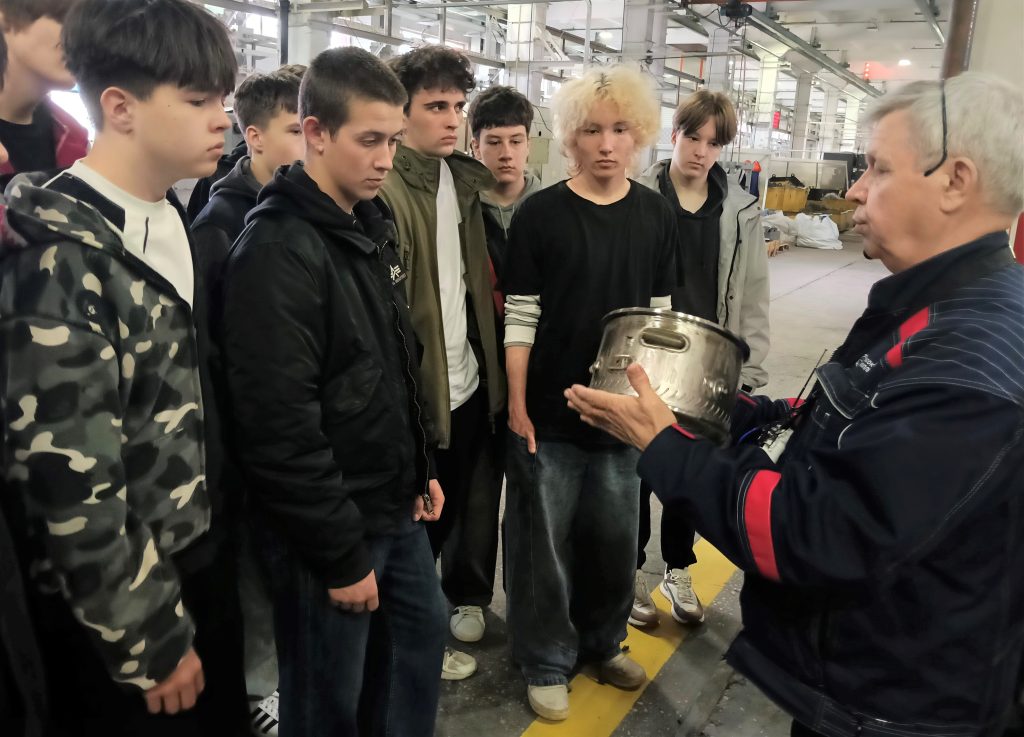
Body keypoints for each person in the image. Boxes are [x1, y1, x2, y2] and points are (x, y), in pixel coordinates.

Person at [565, 73, 1024, 737]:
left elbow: (821, 532)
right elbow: (854, 422)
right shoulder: (936, 310)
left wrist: (665, 447)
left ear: (955, 181)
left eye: (877, 168)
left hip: (892, 709)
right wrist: (728, 410)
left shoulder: (968, 363)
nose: (856, 190)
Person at [0, 1, 250, 734]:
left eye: (223, 100)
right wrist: (148, 638)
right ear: (120, 108)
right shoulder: (60, 259)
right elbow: (69, 483)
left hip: (197, 555)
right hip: (123, 609)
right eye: (198, 101)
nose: (222, 120)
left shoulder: (166, 215)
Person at [219, 47, 448, 737]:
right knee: (327, 698)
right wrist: (339, 553)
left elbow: (392, 363)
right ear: (316, 133)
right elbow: (278, 424)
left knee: (417, 643)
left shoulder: (365, 226)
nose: (385, 159)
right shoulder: (277, 249)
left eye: (394, 141)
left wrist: (418, 467)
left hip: (390, 503)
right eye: (369, 140)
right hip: (329, 526)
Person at [501, 65, 678, 721]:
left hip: (623, 418)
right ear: (570, 137)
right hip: (550, 414)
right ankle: (546, 659)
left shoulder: (656, 216)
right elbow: (521, 316)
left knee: (616, 541)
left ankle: (604, 642)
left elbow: (661, 321)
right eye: (592, 130)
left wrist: (653, 406)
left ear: (640, 135)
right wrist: (518, 404)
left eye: (620, 129)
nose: (606, 144)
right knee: (542, 547)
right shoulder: (540, 215)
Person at [379, 45, 505, 679]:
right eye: (435, 106)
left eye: (457, 105)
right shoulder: (387, 189)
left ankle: (418, 638)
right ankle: (406, 651)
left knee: (444, 520)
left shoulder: (462, 180)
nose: (453, 118)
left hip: (466, 386)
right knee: (412, 537)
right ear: (399, 113)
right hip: (419, 397)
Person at [630, 90, 770, 630]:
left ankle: (677, 568)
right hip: (648, 356)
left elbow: (752, 293)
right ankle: (630, 572)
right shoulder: (640, 195)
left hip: (707, 362)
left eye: (713, 143)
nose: (701, 152)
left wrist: (748, 372)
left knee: (687, 469)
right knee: (639, 469)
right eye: (693, 137)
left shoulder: (739, 210)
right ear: (675, 135)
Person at [185, 63, 307, 224]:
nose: (312, 143)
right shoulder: (218, 222)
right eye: (296, 131)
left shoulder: (307, 200)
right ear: (256, 138)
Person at [467, 83, 544, 323]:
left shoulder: (552, 211)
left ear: (528, 145)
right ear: (476, 147)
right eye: (494, 142)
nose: (506, 154)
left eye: (516, 141)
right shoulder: (462, 214)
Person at [0, 0, 87, 184]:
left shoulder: (76, 138)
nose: (81, 38)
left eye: (86, 23)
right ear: (4, 16)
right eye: (64, 17)